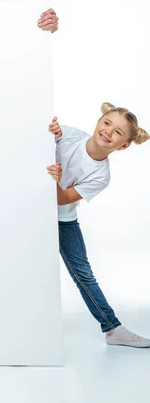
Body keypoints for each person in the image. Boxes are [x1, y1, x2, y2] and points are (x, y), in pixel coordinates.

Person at [47, 103, 150, 347]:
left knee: (83, 274)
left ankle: (112, 328)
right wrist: (49, 129)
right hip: (30, 213)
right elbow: (46, 135)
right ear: (98, 121)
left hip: (62, 220)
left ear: (123, 145)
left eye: (118, 133)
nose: (108, 132)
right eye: (107, 123)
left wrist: (53, 180)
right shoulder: (70, 135)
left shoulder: (101, 175)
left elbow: (62, 199)